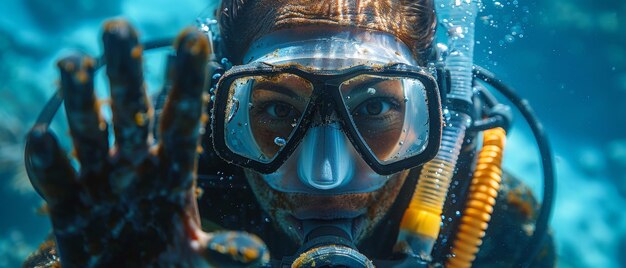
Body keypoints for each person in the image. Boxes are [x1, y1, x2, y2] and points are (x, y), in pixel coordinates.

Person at [24, 0, 556, 267]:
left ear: (432, 115)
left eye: (373, 106)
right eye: (278, 110)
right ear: (222, 108)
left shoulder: (487, 217)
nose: (324, 176)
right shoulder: (169, 186)